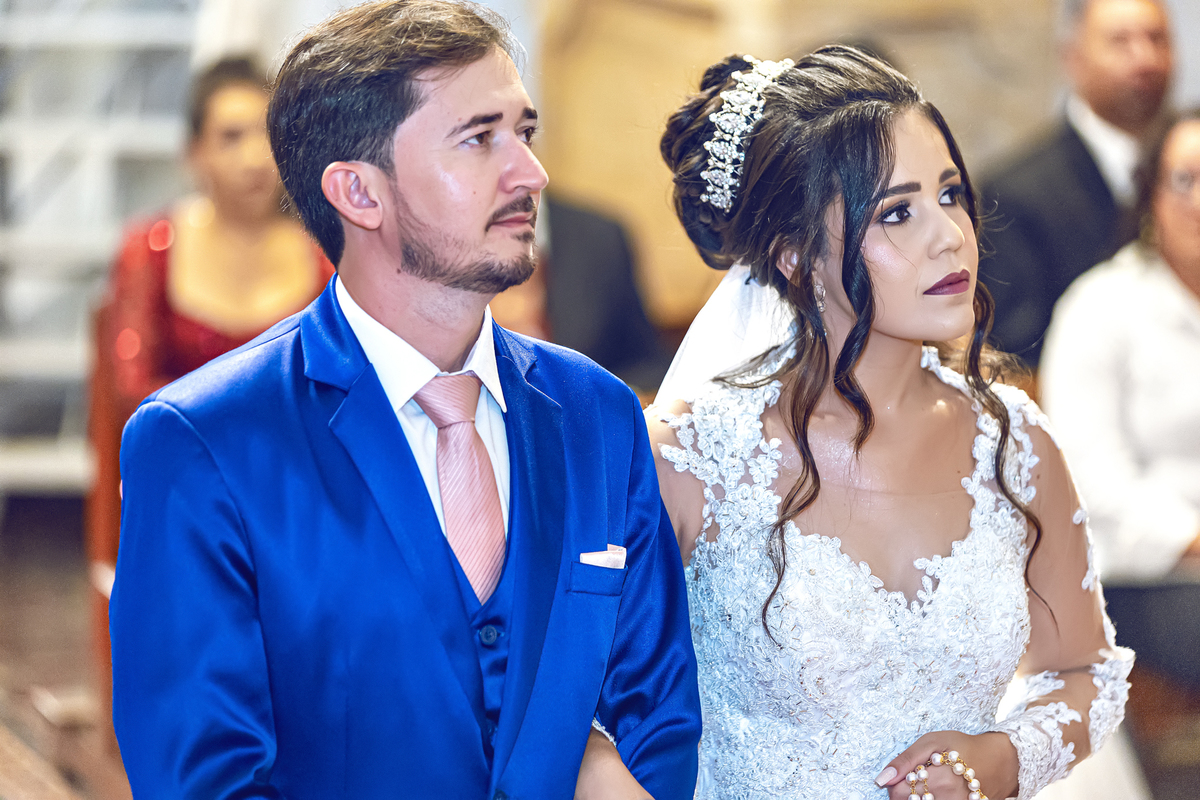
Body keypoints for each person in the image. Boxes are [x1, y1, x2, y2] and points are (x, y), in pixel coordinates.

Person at [107, 2, 701, 798]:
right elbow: (203, 778)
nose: (531, 173)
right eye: (479, 138)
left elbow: (659, 722)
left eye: (525, 132)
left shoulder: (599, 415)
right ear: (359, 192)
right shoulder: (202, 441)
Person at [639, 45, 1132, 799]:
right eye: (897, 212)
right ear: (796, 257)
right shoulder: (692, 459)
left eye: (951, 194)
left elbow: (1085, 671)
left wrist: (997, 760)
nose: (950, 234)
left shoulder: (1014, 443)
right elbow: (586, 713)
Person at [86, 54, 332, 737]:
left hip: (294, 492)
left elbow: (340, 388)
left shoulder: (323, 254)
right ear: (193, 152)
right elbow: (133, 389)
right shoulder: (152, 249)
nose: (253, 158)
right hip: (178, 486)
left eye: (265, 136)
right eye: (230, 137)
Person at [1042, 109, 1200, 705]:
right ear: (1151, 194)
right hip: (1142, 576)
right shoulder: (1101, 307)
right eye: (1185, 179)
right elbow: (1093, 483)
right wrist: (1192, 540)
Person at [980, 0, 1173, 368]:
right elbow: (1016, 354)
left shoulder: (1185, 174)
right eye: (1120, 41)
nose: (1145, 58)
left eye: (1156, 38)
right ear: (1072, 57)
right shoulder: (1016, 193)